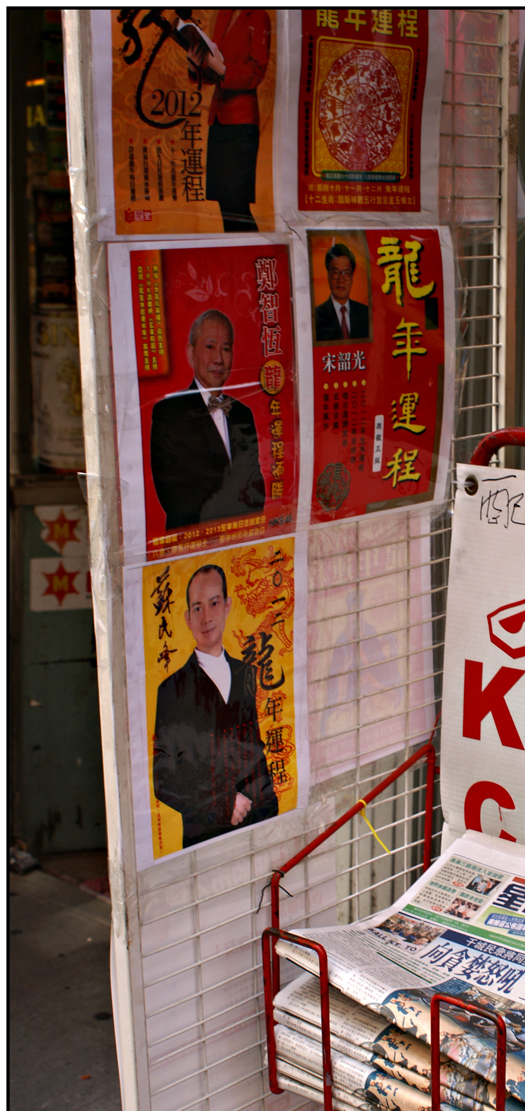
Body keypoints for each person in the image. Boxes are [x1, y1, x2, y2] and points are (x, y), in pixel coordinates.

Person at [152, 564, 279, 848]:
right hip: (204, 837)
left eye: (214, 603)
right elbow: (164, 780)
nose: (206, 617)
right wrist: (221, 804)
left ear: (227, 606)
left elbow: (255, 753)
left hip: (255, 827)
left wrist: (269, 815)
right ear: (187, 618)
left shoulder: (245, 674)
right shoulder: (171, 690)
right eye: (197, 608)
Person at [149, 309, 266, 531]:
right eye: (210, 347)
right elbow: (173, 495)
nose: (219, 359)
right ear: (191, 353)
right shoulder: (169, 412)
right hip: (193, 539)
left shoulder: (243, 413)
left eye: (226, 349)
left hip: (242, 536)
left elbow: (256, 485)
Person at [185, 9, 271, 232]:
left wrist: (222, 69)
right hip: (218, 118)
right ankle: (241, 251)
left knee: (236, 204)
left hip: (242, 121)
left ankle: (254, 251)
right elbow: (214, 69)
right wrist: (195, 66)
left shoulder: (259, 16)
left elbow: (257, 72)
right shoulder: (223, 13)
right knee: (225, 203)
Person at [314, 244, 370, 341]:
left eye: (346, 273)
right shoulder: (316, 316)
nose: (341, 280)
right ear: (328, 276)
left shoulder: (365, 313)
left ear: (352, 278)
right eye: (335, 272)